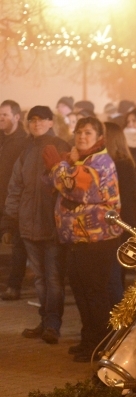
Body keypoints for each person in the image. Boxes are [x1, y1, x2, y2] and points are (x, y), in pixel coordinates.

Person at [43, 116, 122, 361]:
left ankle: (99, 344)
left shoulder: (101, 161)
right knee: (81, 290)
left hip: (97, 241)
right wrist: (65, 164)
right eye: (78, 132)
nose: (81, 136)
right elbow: (52, 182)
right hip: (79, 239)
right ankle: (89, 338)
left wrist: (58, 166)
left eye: (87, 132)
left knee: (94, 293)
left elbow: (74, 185)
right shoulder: (82, 159)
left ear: (99, 137)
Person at [3, 105, 71, 345]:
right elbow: (16, 184)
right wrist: (12, 215)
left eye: (41, 120)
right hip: (28, 223)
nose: (36, 124)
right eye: (33, 120)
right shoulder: (27, 149)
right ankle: (45, 321)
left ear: (51, 122)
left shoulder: (61, 147)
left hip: (52, 224)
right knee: (41, 278)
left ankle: (53, 324)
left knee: (53, 277)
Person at [103, 121, 136, 305]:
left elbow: (125, 197)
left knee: (115, 270)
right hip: (119, 220)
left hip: (118, 221)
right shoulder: (120, 163)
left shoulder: (121, 164)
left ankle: (118, 311)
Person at [0, 100, 30, 301]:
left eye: (5, 116)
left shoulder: (23, 142)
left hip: (12, 200)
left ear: (17, 117)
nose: (1, 119)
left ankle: (14, 285)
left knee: (18, 244)